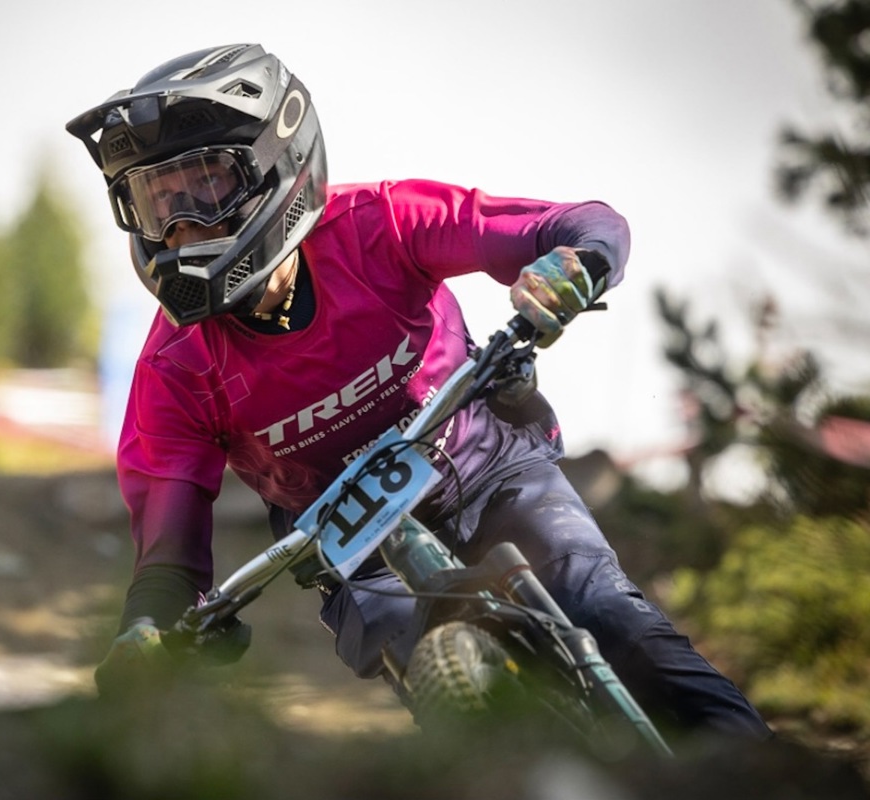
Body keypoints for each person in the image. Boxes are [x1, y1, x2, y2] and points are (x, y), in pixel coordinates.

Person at [65, 43, 771, 739]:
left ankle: (765, 773)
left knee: (615, 623)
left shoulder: (382, 225)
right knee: (452, 708)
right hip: (351, 550)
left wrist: (575, 265)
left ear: (276, 165)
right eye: (157, 202)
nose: (182, 227)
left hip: (491, 473)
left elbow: (582, 223)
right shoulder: (175, 370)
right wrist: (145, 636)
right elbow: (168, 561)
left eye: (205, 185)